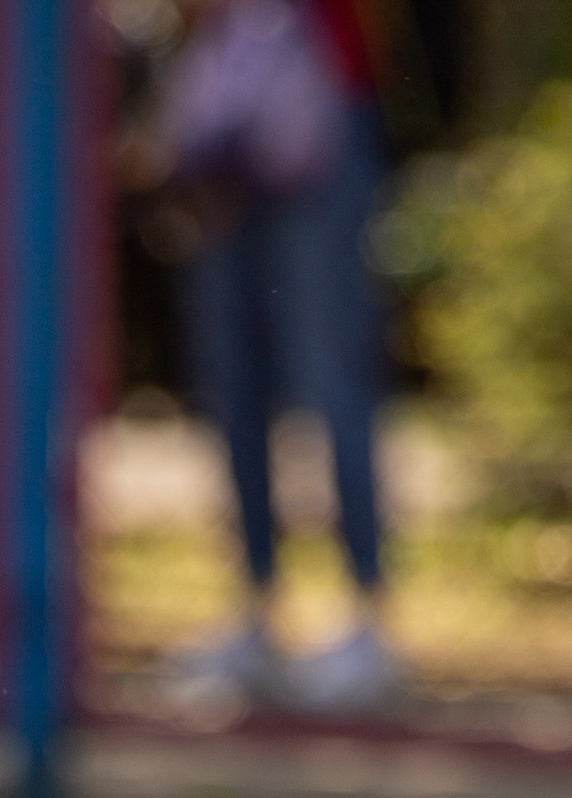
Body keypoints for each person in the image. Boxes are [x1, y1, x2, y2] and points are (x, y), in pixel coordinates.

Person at [147, 0, 402, 714]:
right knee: (230, 380)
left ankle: (367, 618)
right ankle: (255, 609)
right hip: (224, 125)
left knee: (330, 373)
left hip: (320, 106)